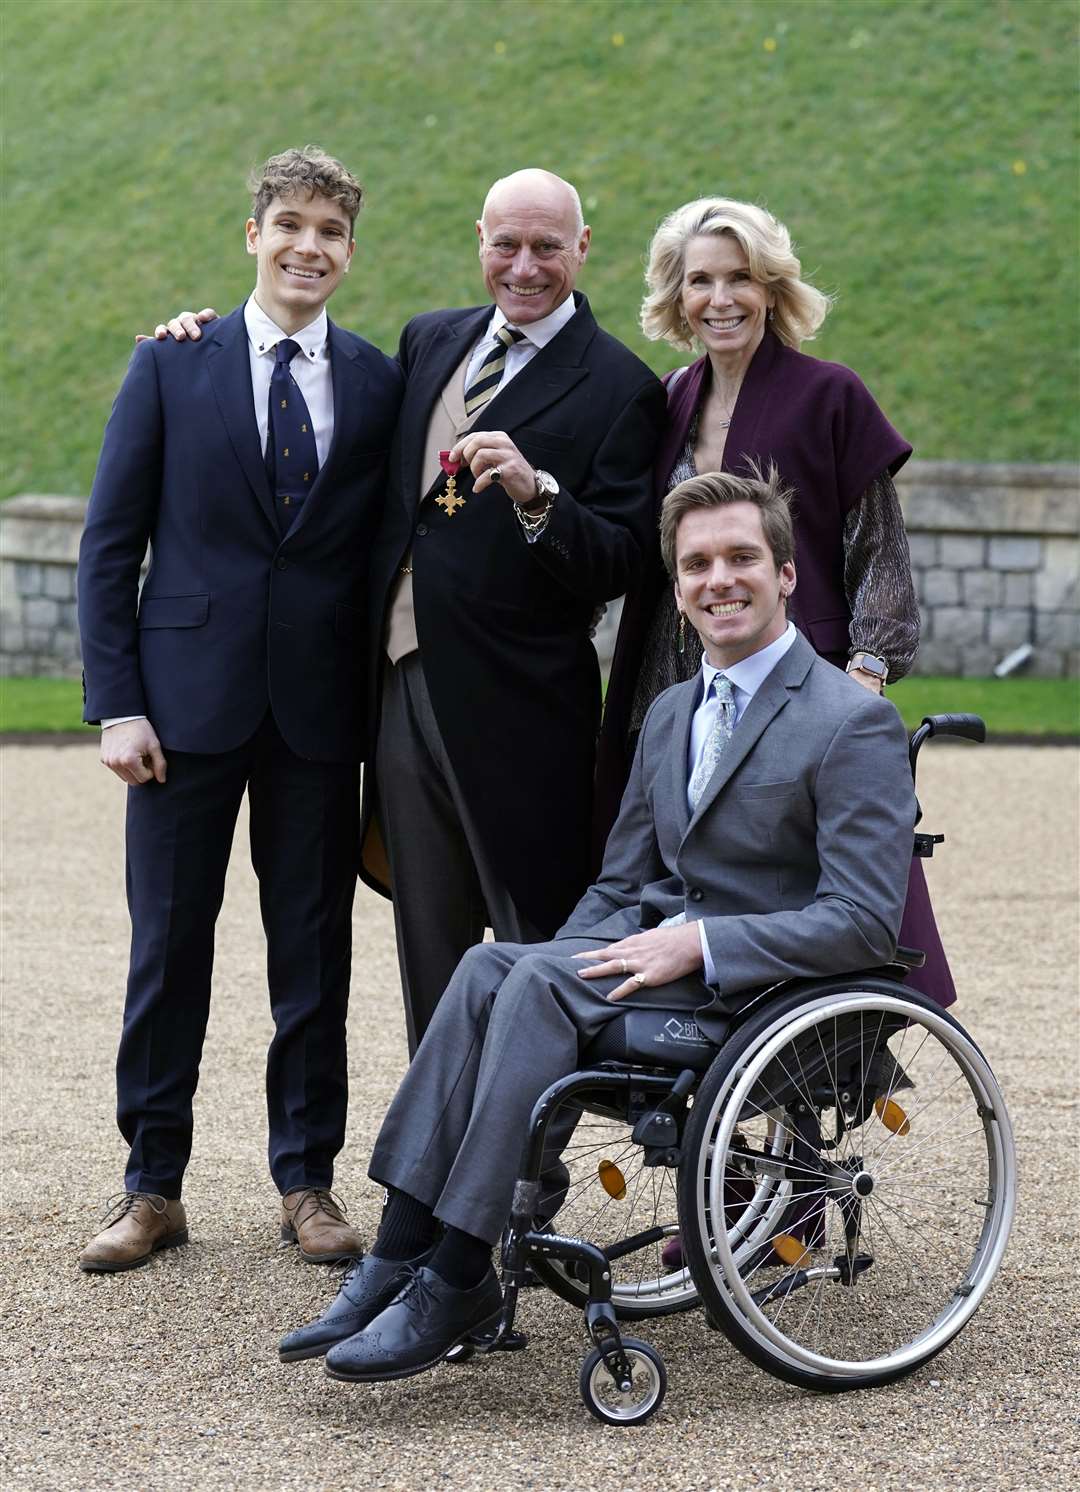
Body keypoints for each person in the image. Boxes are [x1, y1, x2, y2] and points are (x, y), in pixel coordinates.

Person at [275, 467, 916, 1382]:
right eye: (696, 564)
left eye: (741, 557)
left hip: (764, 992)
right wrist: (573, 952)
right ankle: (397, 1252)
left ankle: (457, 1271)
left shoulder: (850, 724)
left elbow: (860, 922)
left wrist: (696, 941)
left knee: (532, 982)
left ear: (787, 575)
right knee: (491, 968)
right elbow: (621, 885)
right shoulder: (670, 714)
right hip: (662, 971)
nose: (717, 580)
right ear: (679, 585)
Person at [157, 168, 666, 1054]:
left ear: (583, 249)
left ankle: (527, 1169)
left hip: (521, 706)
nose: (525, 265)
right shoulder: (430, 342)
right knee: (426, 938)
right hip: (397, 686)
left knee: (533, 934)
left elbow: (623, 559)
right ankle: (440, 1172)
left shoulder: (623, 385)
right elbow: (334, 425)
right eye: (505, 243)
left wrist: (539, 494)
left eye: (548, 246)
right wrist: (205, 339)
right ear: (479, 240)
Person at [76, 147, 404, 1273]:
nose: (310, 246)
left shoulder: (375, 381)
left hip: (318, 716)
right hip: (180, 714)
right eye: (291, 225)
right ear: (253, 235)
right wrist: (116, 704)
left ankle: (306, 1182)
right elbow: (111, 544)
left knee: (312, 955)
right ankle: (151, 1186)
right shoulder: (170, 363)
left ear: (350, 252)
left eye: (331, 231)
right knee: (169, 949)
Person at [597, 195, 954, 1008]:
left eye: (739, 279)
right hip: (676, 682)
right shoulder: (668, 400)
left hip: (800, 684)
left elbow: (881, 554)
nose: (720, 300)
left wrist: (862, 677)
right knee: (668, 874)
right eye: (699, 282)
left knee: (798, 888)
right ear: (675, 297)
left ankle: (806, 1065)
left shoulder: (829, 394)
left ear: (771, 289)